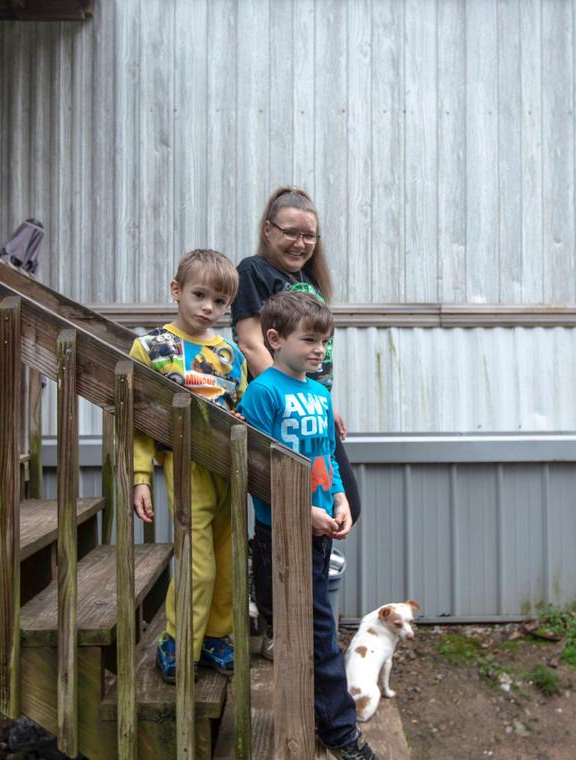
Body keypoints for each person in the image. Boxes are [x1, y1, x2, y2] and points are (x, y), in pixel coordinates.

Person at [237, 291, 377, 760]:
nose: (320, 350)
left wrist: (337, 496)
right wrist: (300, 511)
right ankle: (340, 734)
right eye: (311, 340)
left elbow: (323, 459)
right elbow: (257, 472)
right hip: (281, 537)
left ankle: (318, 722)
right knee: (315, 638)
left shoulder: (318, 394)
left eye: (325, 342)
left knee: (315, 634)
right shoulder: (262, 393)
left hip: (317, 534)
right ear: (274, 339)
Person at [131, 249, 247, 684]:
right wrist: (140, 476)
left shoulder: (231, 354)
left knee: (228, 560)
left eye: (219, 302)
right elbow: (136, 419)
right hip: (187, 470)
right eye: (199, 295)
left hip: (230, 473)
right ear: (176, 291)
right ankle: (179, 642)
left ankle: (216, 637)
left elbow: (242, 407)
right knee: (198, 566)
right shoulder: (153, 349)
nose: (208, 308)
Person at [231, 187, 362, 528]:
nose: (300, 243)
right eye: (290, 232)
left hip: (313, 405)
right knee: (291, 500)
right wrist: (295, 394)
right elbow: (250, 343)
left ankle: (316, 567)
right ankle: (269, 561)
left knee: (339, 499)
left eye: (309, 236)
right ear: (268, 229)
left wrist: (324, 401)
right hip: (280, 409)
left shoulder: (307, 279)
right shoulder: (252, 271)